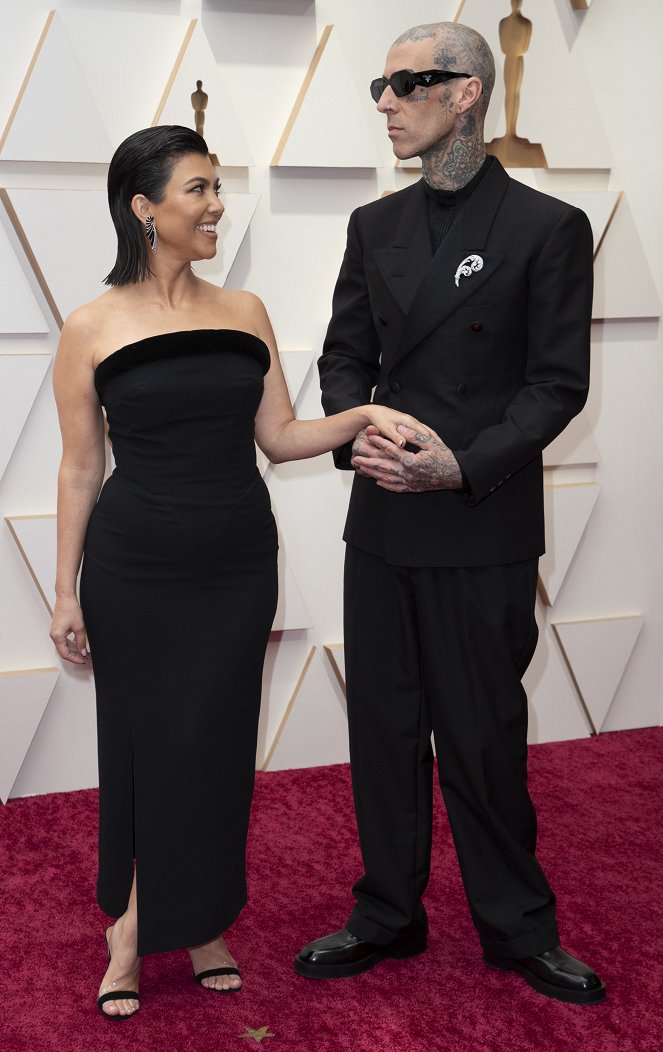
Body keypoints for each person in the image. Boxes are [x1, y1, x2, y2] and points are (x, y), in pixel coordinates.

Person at [49, 124, 427, 1019]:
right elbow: (78, 467)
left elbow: (279, 438)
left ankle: (208, 920)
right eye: (198, 189)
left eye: (218, 187)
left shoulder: (244, 310)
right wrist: (65, 588)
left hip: (235, 563)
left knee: (219, 748)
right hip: (134, 567)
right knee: (145, 750)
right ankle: (134, 927)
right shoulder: (90, 325)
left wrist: (363, 412)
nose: (217, 204)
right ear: (145, 209)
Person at [294, 22, 605, 1005]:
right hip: (383, 517)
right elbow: (344, 356)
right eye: (378, 85)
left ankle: (518, 926)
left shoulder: (547, 228)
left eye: (402, 83)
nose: (383, 101)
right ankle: (389, 909)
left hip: (482, 520)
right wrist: (363, 434)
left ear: (465, 93)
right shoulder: (372, 227)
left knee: (480, 733)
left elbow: (557, 386)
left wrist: (461, 465)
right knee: (383, 727)